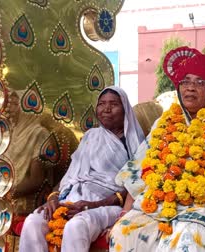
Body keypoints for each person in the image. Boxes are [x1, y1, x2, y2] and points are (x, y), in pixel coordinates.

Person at [109, 47, 205, 252]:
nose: (190, 88)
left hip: (201, 207)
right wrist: (125, 213)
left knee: (188, 241)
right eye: (186, 82)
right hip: (157, 205)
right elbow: (139, 172)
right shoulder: (162, 124)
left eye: (199, 82)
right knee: (123, 234)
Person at [19, 86, 145, 252]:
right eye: (101, 104)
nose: (106, 108)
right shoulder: (90, 136)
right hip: (71, 199)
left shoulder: (135, 143)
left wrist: (91, 205)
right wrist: (53, 199)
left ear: (125, 110)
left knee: (76, 225)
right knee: (32, 222)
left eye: (113, 104)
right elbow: (70, 176)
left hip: (108, 206)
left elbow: (134, 188)